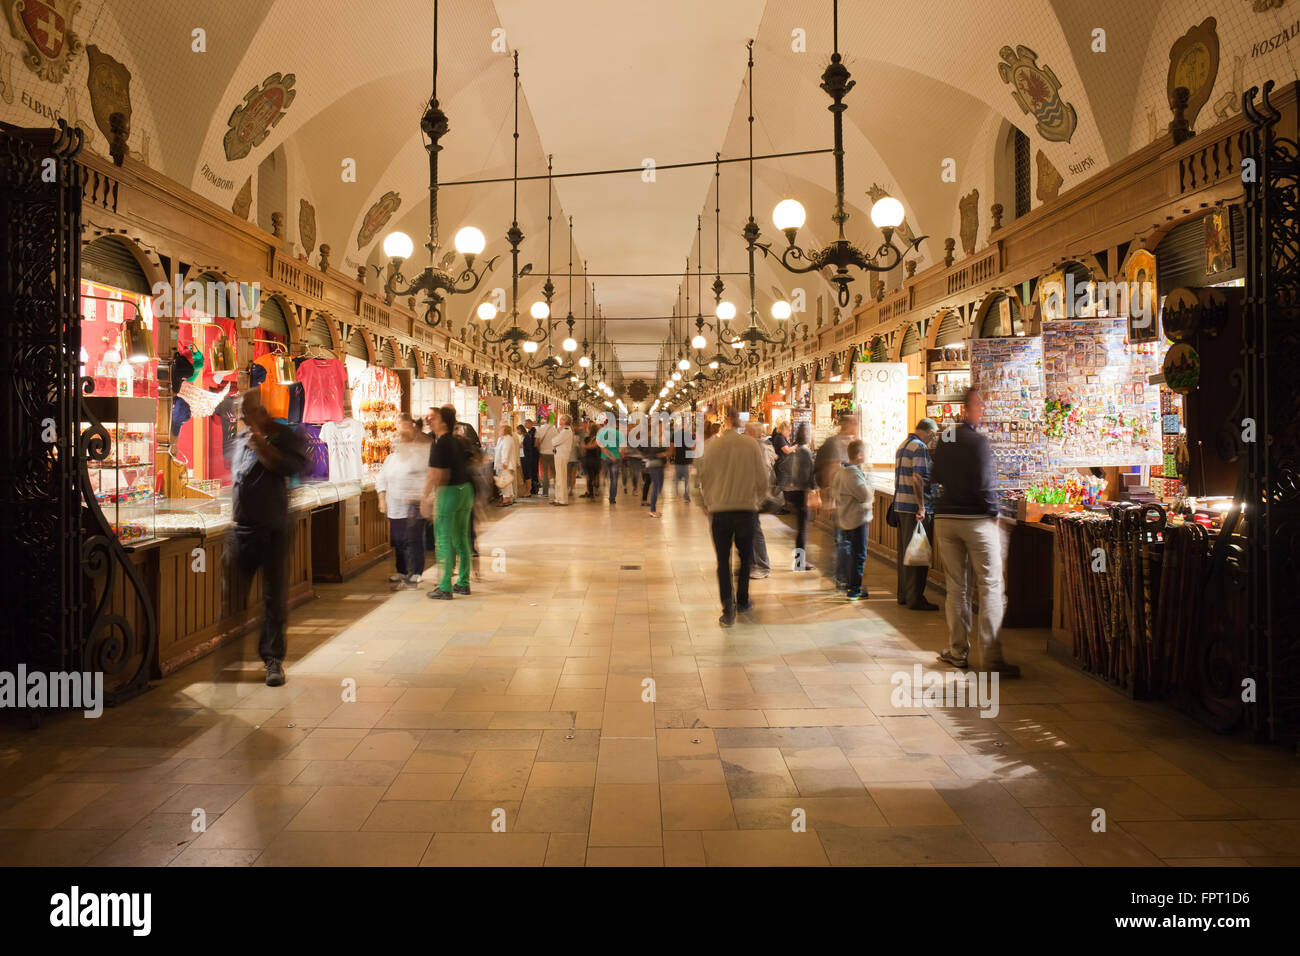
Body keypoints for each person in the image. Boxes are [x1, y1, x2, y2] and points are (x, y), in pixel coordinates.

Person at [931, 388, 1019, 677]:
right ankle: (992, 659)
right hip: (976, 520)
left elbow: (935, 476)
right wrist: (995, 514)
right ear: (971, 408)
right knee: (991, 586)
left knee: (957, 586)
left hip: (945, 518)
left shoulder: (946, 436)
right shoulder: (979, 441)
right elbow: (984, 484)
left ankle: (957, 652)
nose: (982, 410)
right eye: (980, 405)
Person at [225, 388, 307, 686]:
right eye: (240, 414)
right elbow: (237, 478)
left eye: (246, 412)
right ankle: (228, 656)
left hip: (273, 529)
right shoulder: (241, 439)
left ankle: (273, 660)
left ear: (260, 410)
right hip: (241, 530)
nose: (242, 418)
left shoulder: (284, 436)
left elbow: (294, 467)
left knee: (273, 597)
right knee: (233, 593)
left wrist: (262, 446)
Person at [697, 410, 769, 627]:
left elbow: (700, 478)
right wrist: (758, 500)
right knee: (745, 558)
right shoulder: (751, 445)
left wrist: (706, 503)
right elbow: (763, 478)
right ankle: (744, 600)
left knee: (722, 560)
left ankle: (728, 607)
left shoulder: (712, 447)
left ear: (725, 423)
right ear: (740, 423)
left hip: (719, 511)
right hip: (746, 509)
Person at [376, 413, 432, 590]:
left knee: (414, 539)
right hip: (395, 506)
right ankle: (401, 569)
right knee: (399, 539)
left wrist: (422, 497)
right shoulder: (390, 460)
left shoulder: (418, 458)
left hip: (414, 505)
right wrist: (381, 499)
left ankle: (416, 571)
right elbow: (381, 479)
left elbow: (426, 478)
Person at [424, 405, 474, 600]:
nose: (429, 421)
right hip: (465, 490)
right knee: (461, 538)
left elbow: (437, 474)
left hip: (449, 492)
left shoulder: (440, 443)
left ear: (443, 421)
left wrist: (426, 498)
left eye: (433, 418)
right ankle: (463, 582)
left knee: (443, 540)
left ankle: (445, 586)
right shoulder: (456, 441)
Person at [894, 418, 940, 611]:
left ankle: (904, 594)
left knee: (906, 554)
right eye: (934, 434)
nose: (934, 439)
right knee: (917, 555)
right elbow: (917, 478)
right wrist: (921, 506)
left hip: (901, 506)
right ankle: (915, 599)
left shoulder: (903, 445)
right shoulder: (919, 447)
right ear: (929, 432)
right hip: (915, 509)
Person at [814, 413, 859, 587]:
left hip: (848, 499)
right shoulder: (836, 444)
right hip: (841, 498)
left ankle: (836, 572)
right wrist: (829, 496)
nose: (856, 425)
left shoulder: (849, 442)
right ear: (847, 424)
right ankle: (840, 576)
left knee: (842, 538)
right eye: (854, 422)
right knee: (843, 538)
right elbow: (831, 470)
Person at [833, 439, 874, 600]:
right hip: (857, 519)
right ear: (859, 455)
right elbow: (866, 495)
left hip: (844, 517)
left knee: (850, 553)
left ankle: (849, 585)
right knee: (859, 555)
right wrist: (870, 486)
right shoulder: (853, 474)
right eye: (866, 454)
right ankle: (854, 589)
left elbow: (835, 492)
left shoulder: (841, 472)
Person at [782, 423, 818, 571]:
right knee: (802, 529)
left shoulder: (800, 450)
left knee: (801, 528)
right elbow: (804, 474)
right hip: (801, 493)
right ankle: (799, 562)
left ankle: (800, 561)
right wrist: (810, 492)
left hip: (798, 492)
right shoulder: (804, 451)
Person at [745, 421, 774, 578]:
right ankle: (749, 563)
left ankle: (763, 566)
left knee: (755, 530)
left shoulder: (759, 447)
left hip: (753, 495)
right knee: (748, 528)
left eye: (747, 430)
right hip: (747, 494)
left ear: (752, 432)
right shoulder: (754, 446)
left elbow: (762, 473)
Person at [596, 414, 624, 503]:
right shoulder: (619, 434)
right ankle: (612, 498)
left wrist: (608, 455)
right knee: (614, 479)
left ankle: (598, 491)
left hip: (605, 458)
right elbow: (623, 448)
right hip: (616, 458)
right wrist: (617, 455)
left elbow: (601, 446)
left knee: (604, 475)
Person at [493, 421, 519, 506]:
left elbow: (506, 451)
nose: (499, 430)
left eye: (501, 428)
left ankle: (506, 499)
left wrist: (504, 462)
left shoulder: (507, 438)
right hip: (503, 464)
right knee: (507, 482)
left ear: (504, 429)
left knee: (505, 483)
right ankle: (509, 498)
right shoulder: (502, 438)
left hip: (505, 465)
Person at [644, 437, 670, 517]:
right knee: (656, 486)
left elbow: (664, 451)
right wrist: (662, 454)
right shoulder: (650, 440)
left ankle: (653, 506)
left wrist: (666, 459)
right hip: (654, 465)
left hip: (660, 465)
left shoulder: (661, 439)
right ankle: (652, 510)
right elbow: (651, 453)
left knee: (659, 486)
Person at [552, 414, 574, 505]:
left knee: (561, 478)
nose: (560, 420)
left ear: (565, 421)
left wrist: (554, 440)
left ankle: (562, 500)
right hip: (559, 455)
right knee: (559, 478)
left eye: (561, 419)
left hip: (561, 456)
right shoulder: (563, 430)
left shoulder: (566, 431)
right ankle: (558, 498)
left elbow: (554, 441)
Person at [671, 418, 692, 503]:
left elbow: (672, 447)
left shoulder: (675, 435)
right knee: (687, 479)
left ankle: (676, 492)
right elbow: (692, 447)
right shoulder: (688, 434)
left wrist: (672, 456)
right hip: (687, 460)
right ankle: (686, 496)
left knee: (677, 476)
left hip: (678, 459)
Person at [534, 417, 554, 496]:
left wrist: (540, 450)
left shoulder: (539, 430)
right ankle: (558, 490)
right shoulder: (554, 430)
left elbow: (536, 443)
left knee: (545, 473)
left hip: (543, 453)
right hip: (553, 453)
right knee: (554, 472)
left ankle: (545, 492)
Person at [581, 423, 602, 498]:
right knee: (596, 476)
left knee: (589, 477)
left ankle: (591, 493)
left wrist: (586, 447)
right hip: (596, 459)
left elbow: (583, 449)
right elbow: (595, 446)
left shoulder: (586, 439)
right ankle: (595, 491)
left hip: (588, 459)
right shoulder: (599, 438)